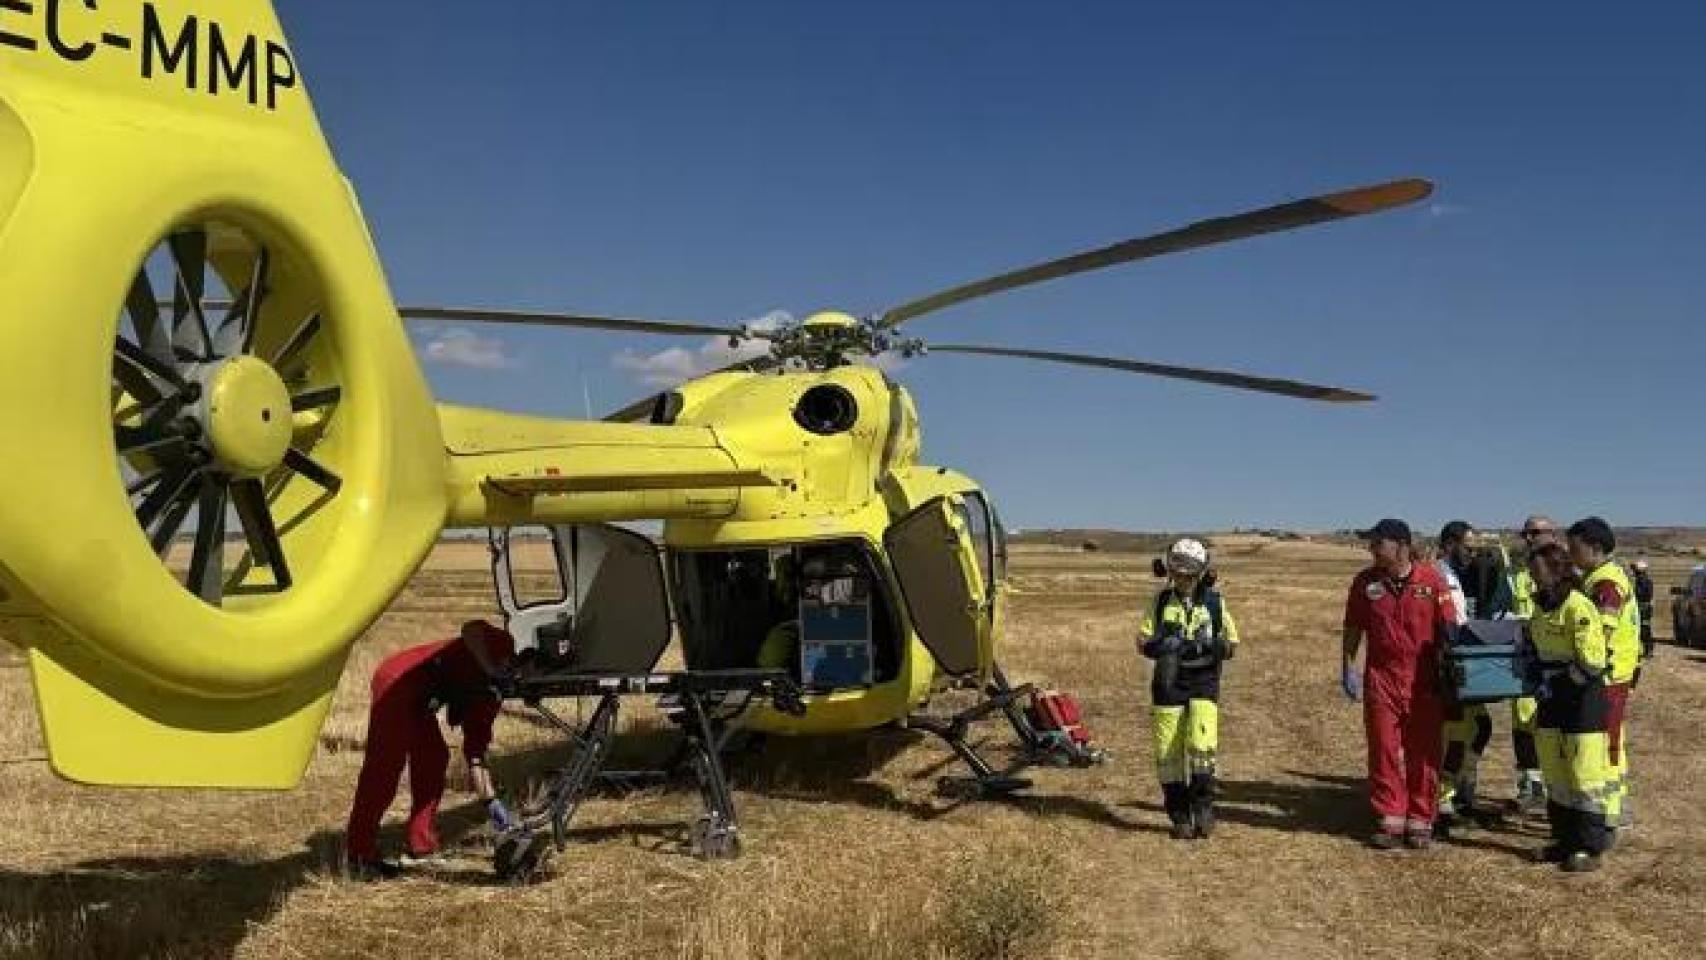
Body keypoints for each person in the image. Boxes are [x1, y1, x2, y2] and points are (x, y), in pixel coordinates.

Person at [345, 619, 519, 879]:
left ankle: (422, 845)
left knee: (434, 757)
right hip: (398, 680)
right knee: (384, 767)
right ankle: (359, 854)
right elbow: (471, 629)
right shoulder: (503, 645)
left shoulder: (490, 698)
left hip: (422, 698)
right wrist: (490, 669)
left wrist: (492, 803)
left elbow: (475, 755)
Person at [1341, 519, 1457, 849]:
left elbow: (1449, 629)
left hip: (1424, 680)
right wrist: (1349, 665)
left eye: (1378, 543)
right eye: (1371, 543)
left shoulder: (1432, 581)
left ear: (1401, 546)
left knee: (1424, 751)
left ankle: (1421, 816)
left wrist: (1450, 675)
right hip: (1381, 678)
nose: (1372, 550)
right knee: (1383, 747)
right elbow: (1353, 627)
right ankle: (1390, 814)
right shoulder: (1365, 583)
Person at [1525, 542, 1620, 872]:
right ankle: (1563, 839)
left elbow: (1592, 661)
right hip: (1551, 698)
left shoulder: (1579, 607)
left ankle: (1589, 847)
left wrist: (1557, 684)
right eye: (1531, 572)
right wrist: (1534, 675)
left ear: (1557, 571)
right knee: (1555, 772)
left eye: (1537, 572)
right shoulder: (1542, 607)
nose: (1533, 579)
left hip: (1581, 700)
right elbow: (1535, 649)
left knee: (1584, 774)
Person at [1137, 538, 1239, 840]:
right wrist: (1160, 644)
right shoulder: (1159, 602)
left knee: (1201, 744)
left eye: (1190, 574)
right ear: (1169, 572)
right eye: (1178, 573)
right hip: (1168, 682)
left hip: (1204, 680)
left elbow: (1232, 643)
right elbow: (1142, 640)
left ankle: (1204, 808)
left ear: (1202, 573)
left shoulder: (1215, 603)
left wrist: (1215, 645)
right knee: (1168, 751)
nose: (1184, 580)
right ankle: (1179, 815)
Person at [1566, 518, 1640, 833]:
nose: (1571, 554)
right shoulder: (1600, 577)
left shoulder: (1605, 583)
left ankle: (1608, 811)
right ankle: (1615, 804)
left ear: (1595, 548)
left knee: (1605, 741)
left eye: (1575, 548)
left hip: (1606, 675)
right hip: (1615, 672)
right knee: (1613, 738)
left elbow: (1601, 631)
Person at [1632, 559, 1656, 660]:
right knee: (1640, 628)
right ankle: (1645, 649)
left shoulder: (1645, 581)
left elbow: (1646, 595)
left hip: (1644, 608)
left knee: (1645, 629)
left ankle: (1648, 649)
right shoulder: (1639, 581)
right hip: (1641, 607)